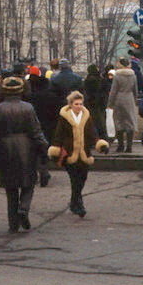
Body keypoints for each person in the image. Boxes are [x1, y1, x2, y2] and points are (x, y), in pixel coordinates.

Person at [0, 75, 48, 232]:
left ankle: (13, 224)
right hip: (27, 148)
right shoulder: (28, 108)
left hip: (5, 149)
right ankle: (24, 208)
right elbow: (36, 131)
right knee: (29, 183)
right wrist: (43, 147)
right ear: (20, 90)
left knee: (10, 188)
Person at [47, 90, 109, 218]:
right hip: (70, 154)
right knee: (75, 180)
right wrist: (55, 149)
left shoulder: (86, 116)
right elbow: (59, 135)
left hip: (84, 153)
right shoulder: (64, 118)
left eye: (81, 104)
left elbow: (92, 133)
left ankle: (75, 201)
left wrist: (100, 145)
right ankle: (78, 204)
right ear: (70, 104)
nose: (79, 106)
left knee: (83, 178)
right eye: (76, 104)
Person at [29, 73, 61, 187]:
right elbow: (58, 114)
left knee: (35, 150)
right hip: (50, 127)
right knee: (44, 150)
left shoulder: (32, 97)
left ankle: (40, 172)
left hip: (35, 127)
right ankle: (44, 170)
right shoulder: (53, 97)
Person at [107, 56, 140, 153]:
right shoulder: (133, 75)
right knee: (130, 122)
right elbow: (135, 90)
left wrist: (110, 103)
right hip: (129, 99)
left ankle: (120, 146)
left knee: (119, 122)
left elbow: (113, 91)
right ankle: (129, 146)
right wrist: (135, 100)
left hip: (119, 99)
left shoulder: (117, 76)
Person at [82, 64, 110, 142]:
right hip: (101, 103)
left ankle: (94, 139)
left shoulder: (89, 80)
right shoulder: (101, 79)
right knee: (101, 122)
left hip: (92, 104)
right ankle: (104, 138)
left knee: (93, 122)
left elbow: (87, 92)